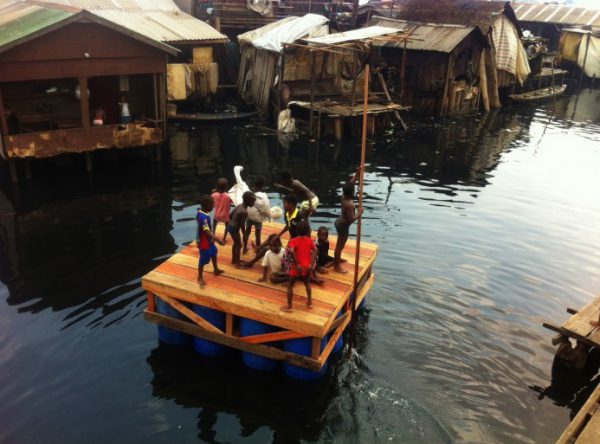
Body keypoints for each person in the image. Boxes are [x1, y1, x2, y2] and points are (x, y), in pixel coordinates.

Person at [283, 221, 317, 312]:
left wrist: (297, 263)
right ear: (307, 231)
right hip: (307, 266)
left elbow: (292, 251)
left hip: (296, 267)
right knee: (307, 283)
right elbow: (315, 250)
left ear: (297, 231)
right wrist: (311, 263)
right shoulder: (309, 240)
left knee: (290, 285)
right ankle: (309, 302)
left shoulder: (294, 240)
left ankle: (289, 306)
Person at [333, 172, 363, 273]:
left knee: (339, 245)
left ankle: (338, 258)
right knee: (339, 246)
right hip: (343, 226)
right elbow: (351, 219)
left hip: (340, 222)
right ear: (352, 192)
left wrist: (357, 174)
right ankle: (336, 266)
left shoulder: (344, 197)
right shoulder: (349, 204)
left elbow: (351, 183)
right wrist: (359, 213)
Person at [196, 195, 226, 286]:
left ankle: (215, 269)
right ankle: (200, 277)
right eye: (212, 204)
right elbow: (206, 231)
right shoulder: (202, 217)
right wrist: (217, 239)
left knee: (214, 252)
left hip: (209, 239)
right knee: (203, 259)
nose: (213, 206)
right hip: (204, 241)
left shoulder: (204, 212)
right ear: (206, 205)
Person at [244, 175, 271, 254]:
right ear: (263, 185)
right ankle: (258, 249)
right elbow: (266, 209)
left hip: (248, 216)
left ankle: (244, 247)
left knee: (247, 232)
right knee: (258, 234)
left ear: (254, 183)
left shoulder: (249, 193)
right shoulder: (263, 197)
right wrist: (269, 217)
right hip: (258, 219)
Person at [228, 191, 256, 266]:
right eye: (253, 201)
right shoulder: (244, 212)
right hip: (234, 229)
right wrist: (244, 235)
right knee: (239, 245)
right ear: (247, 201)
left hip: (230, 226)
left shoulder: (239, 206)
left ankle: (234, 260)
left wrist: (232, 222)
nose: (253, 203)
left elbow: (231, 215)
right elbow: (242, 225)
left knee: (236, 244)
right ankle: (237, 263)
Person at [211, 178, 233, 242]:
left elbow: (211, 201)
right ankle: (224, 238)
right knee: (227, 225)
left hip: (217, 215)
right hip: (225, 216)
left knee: (214, 222)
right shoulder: (229, 196)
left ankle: (213, 235)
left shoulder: (214, 195)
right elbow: (233, 201)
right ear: (226, 186)